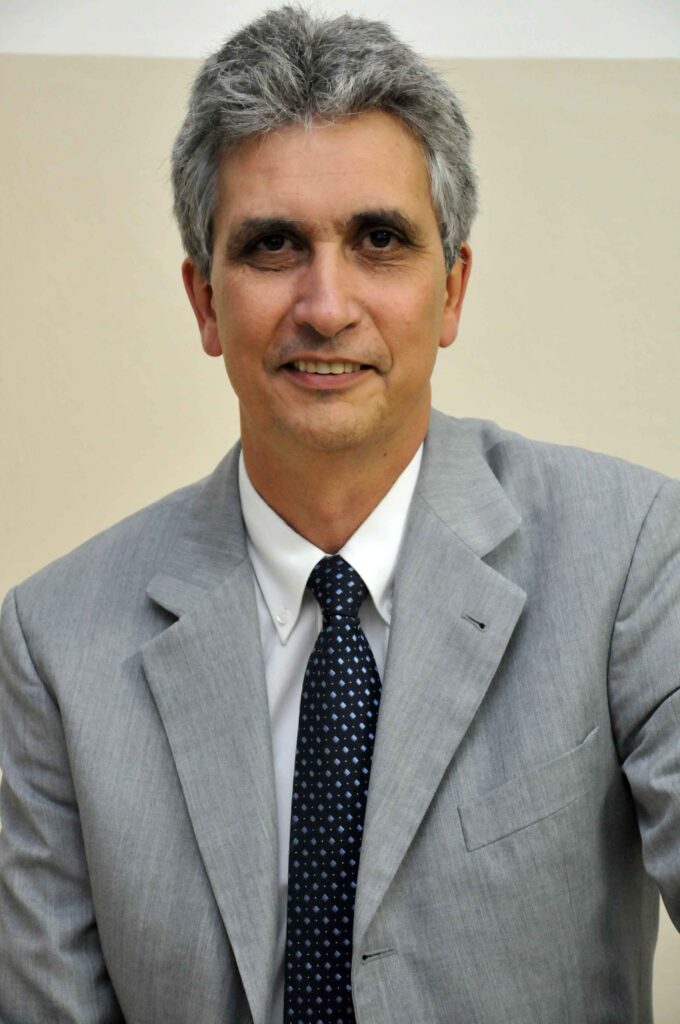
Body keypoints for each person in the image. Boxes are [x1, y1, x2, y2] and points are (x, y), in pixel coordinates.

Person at [0, 5, 678, 1023]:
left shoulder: (630, 555)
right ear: (204, 302)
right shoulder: (52, 646)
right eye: (273, 245)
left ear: (452, 291)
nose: (325, 305)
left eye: (379, 240)